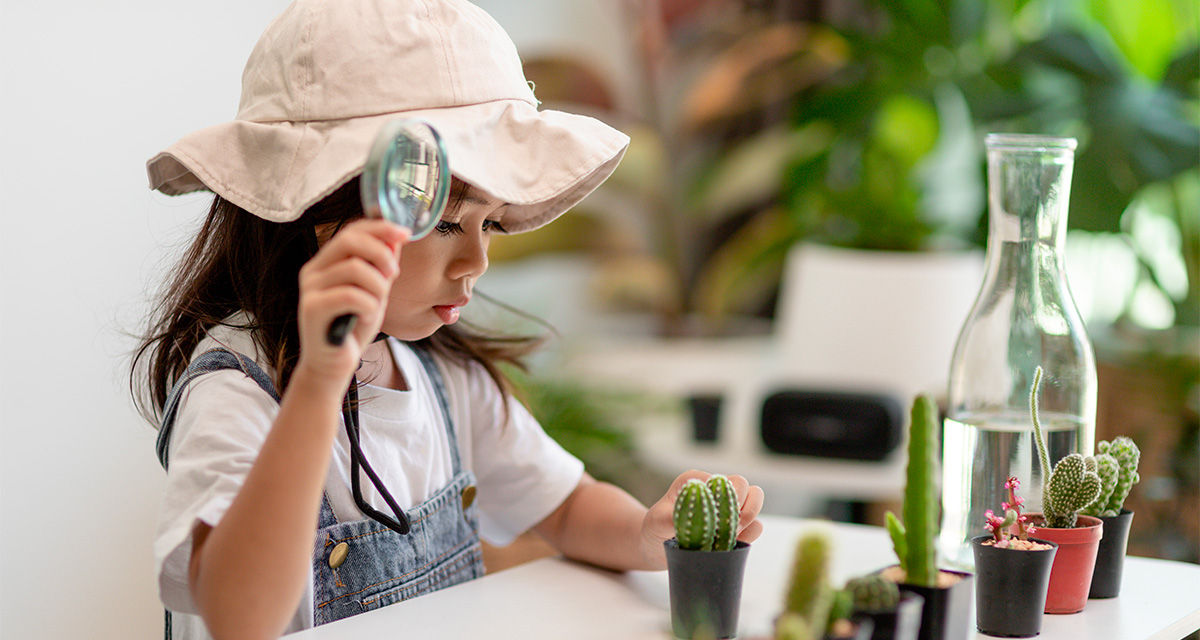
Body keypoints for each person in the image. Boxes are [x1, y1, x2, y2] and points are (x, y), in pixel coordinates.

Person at [133, 1, 765, 639]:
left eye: (488, 222)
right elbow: (239, 618)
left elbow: (567, 508)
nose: (477, 260)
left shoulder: (442, 376)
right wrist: (320, 383)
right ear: (315, 221)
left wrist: (644, 532)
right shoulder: (235, 390)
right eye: (440, 222)